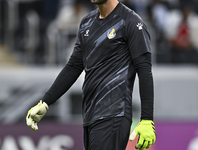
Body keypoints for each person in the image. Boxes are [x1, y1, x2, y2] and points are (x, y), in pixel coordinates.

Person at [26, 0, 156, 149]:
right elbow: (73, 66)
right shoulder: (87, 22)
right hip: (90, 116)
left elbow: (144, 70)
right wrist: (46, 102)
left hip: (114, 114)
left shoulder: (130, 21)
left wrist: (147, 119)